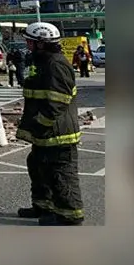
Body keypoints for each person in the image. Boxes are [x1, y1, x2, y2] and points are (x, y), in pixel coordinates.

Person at [16, 22, 84, 226]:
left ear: (41, 44)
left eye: (30, 41)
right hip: (45, 133)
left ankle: (70, 215)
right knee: (38, 167)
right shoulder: (42, 62)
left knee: (61, 173)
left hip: (56, 132)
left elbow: (58, 101)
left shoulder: (56, 64)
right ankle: (43, 206)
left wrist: (40, 123)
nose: (27, 45)